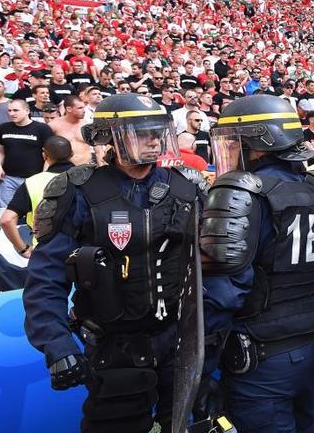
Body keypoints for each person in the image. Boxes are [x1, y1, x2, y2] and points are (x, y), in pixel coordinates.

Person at [22, 93, 208, 433]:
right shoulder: (77, 191)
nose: (154, 140)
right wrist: (57, 344)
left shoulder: (187, 187)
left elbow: (208, 266)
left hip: (180, 341)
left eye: (157, 131)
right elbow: (45, 278)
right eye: (143, 132)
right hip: (113, 347)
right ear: (109, 137)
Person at [202, 94, 314, 432]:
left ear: (255, 143)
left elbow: (221, 295)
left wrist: (200, 370)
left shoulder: (243, 193)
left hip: (260, 357)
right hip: (311, 344)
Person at [0, 136, 74, 255]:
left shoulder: (33, 182)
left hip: (46, 252)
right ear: (72, 153)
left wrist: (23, 249)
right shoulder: (89, 178)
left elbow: (7, 220)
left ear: (44, 155)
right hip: (84, 252)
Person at [0, 100, 54, 208]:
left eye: (15, 110)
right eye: (9, 110)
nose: (12, 113)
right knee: (6, 212)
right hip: (8, 178)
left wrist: (43, 175)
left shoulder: (42, 128)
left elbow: (50, 155)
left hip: (33, 178)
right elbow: (0, 150)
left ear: (27, 111)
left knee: (34, 211)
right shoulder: (3, 128)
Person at [49, 95, 94, 165]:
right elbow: (47, 151)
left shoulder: (87, 125)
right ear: (69, 109)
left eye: (84, 107)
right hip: (63, 169)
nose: (84, 111)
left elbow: (98, 150)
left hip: (86, 167)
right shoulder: (53, 125)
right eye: (80, 108)